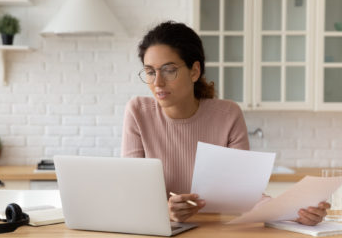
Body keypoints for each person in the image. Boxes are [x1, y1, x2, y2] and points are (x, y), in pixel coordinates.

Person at [121, 21, 329, 225]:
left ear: (194, 71)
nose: (157, 82)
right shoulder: (138, 112)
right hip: (158, 231)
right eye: (150, 71)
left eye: (169, 70)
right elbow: (131, 191)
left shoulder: (227, 115)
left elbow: (247, 194)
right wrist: (164, 210)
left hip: (214, 229)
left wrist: (296, 213)